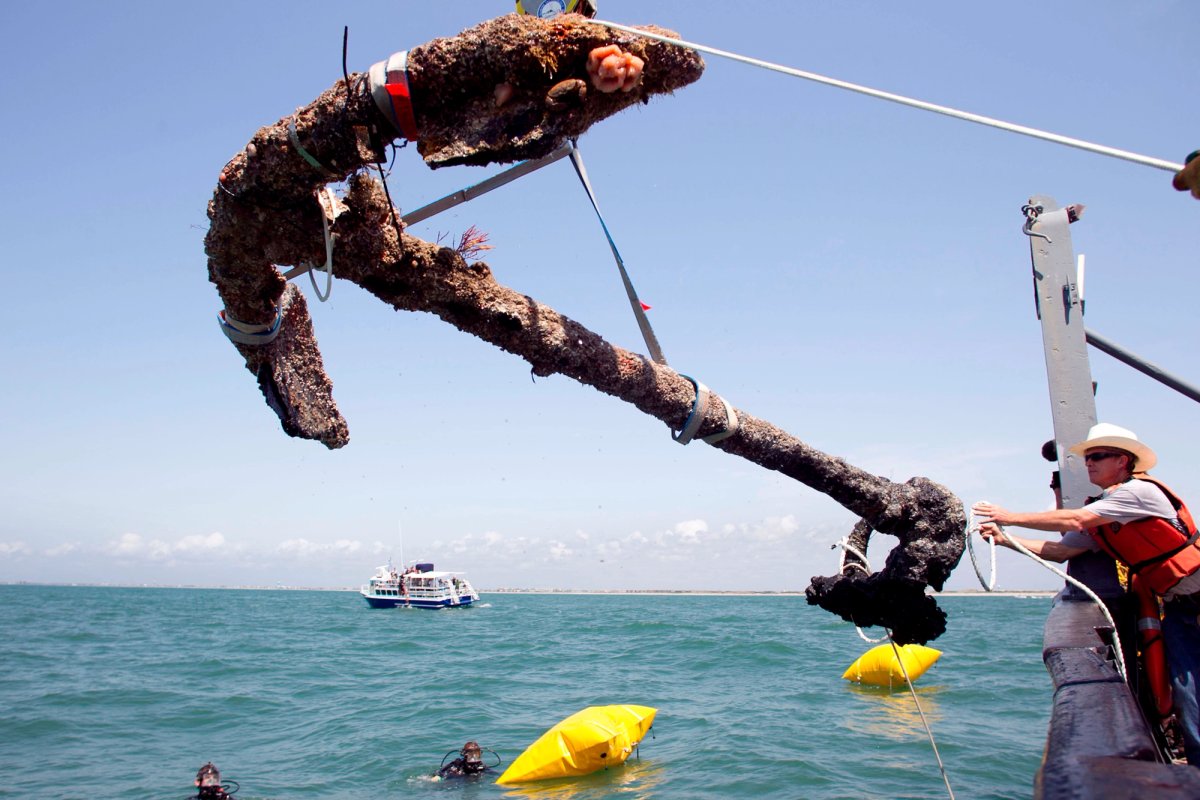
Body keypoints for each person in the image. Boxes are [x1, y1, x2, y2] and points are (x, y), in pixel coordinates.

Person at [973, 423, 1200, 766]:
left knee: (1192, 689)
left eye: (1097, 456)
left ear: (1123, 461)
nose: (1088, 464)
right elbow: (1061, 551)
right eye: (1087, 458)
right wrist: (1005, 539)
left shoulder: (1137, 493)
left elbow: (1077, 519)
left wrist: (1010, 517)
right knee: (1188, 694)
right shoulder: (1106, 513)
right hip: (1178, 608)